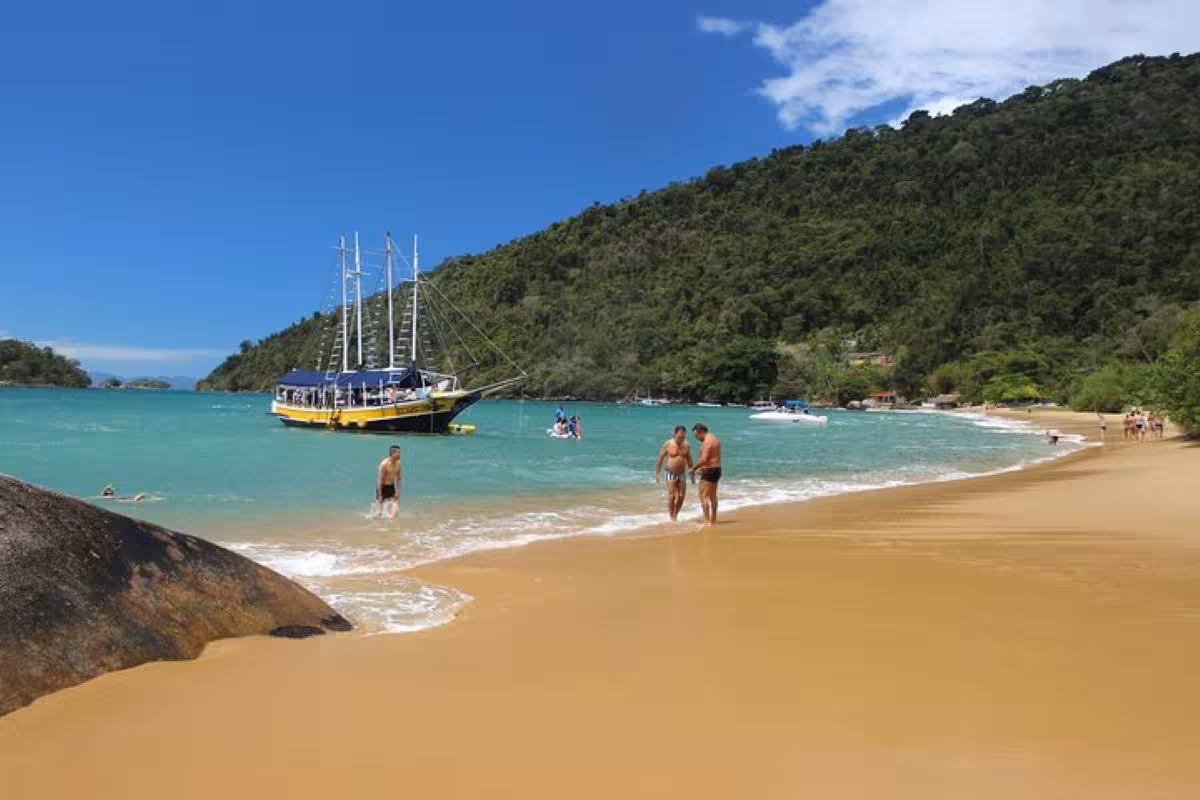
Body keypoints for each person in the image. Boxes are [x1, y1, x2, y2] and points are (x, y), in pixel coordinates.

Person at [655, 425, 694, 522]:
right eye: (679, 436)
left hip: (682, 473)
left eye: (683, 437)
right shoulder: (668, 444)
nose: (681, 438)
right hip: (670, 472)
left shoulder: (687, 445)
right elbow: (660, 458)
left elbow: (689, 459)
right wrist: (657, 473)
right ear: (675, 434)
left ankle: (675, 514)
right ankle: (671, 517)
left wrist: (692, 473)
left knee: (681, 496)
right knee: (672, 495)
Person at [689, 423, 722, 528]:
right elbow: (712, 458)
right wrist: (702, 468)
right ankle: (713, 520)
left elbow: (704, 459)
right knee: (713, 496)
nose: (697, 438)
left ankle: (707, 522)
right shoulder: (715, 439)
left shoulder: (707, 442)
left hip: (709, 471)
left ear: (701, 432)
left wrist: (693, 469)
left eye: (696, 436)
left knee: (703, 497)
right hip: (716, 469)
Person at [376, 445, 403, 520]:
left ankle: (391, 528)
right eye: (398, 453)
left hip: (391, 487)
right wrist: (380, 495)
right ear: (392, 453)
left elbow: (399, 478)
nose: (400, 454)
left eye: (400, 452)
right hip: (382, 487)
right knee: (379, 514)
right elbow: (379, 481)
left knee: (395, 511)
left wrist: (397, 491)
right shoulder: (384, 464)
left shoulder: (398, 463)